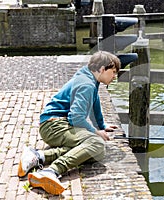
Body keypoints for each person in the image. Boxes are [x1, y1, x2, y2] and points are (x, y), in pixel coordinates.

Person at [17, 51, 121, 195]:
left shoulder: (89, 79)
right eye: (113, 72)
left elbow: (95, 105)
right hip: (54, 126)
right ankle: (51, 171)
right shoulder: (87, 84)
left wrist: (102, 126)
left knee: (96, 152)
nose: (114, 77)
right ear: (102, 69)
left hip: (55, 124)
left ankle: (38, 156)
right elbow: (76, 118)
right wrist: (96, 132)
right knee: (96, 143)